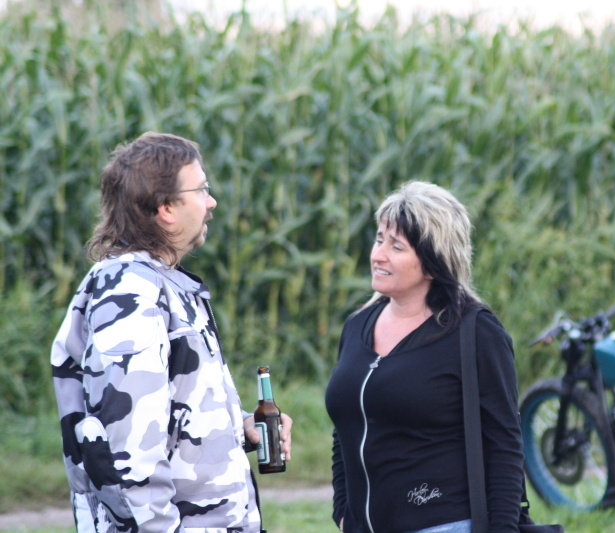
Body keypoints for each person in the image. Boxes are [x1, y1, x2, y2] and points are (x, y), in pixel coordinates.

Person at [51, 132, 292, 533]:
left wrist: (242, 428)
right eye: (201, 190)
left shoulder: (160, 283)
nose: (211, 202)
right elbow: (128, 451)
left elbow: (169, 417)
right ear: (165, 208)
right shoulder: (131, 295)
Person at [325, 181, 525, 533]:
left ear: (433, 263)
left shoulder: (474, 332)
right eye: (379, 239)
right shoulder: (357, 325)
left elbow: (504, 446)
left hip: (445, 524)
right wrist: (343, 511)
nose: (378, 255)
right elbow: (344, 431)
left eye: (396, 246)